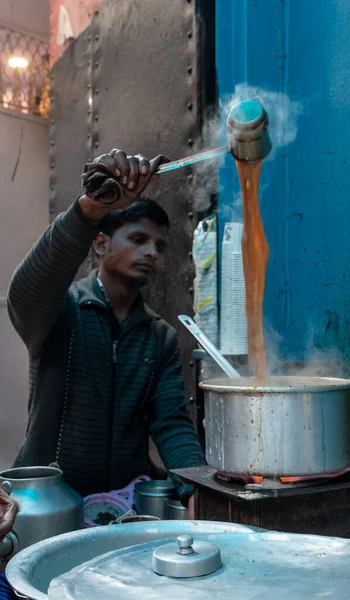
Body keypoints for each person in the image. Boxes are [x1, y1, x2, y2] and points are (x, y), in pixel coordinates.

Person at [7, 149, 206, 514]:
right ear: (101, 244)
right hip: (50, 502)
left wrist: (196, 489)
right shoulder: (60, 312)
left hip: (128, 504)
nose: (152, 253)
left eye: (159, 246)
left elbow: (172, 423)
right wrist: (89, 210)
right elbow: (24, 293)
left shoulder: (158, 336)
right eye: (138, 239)